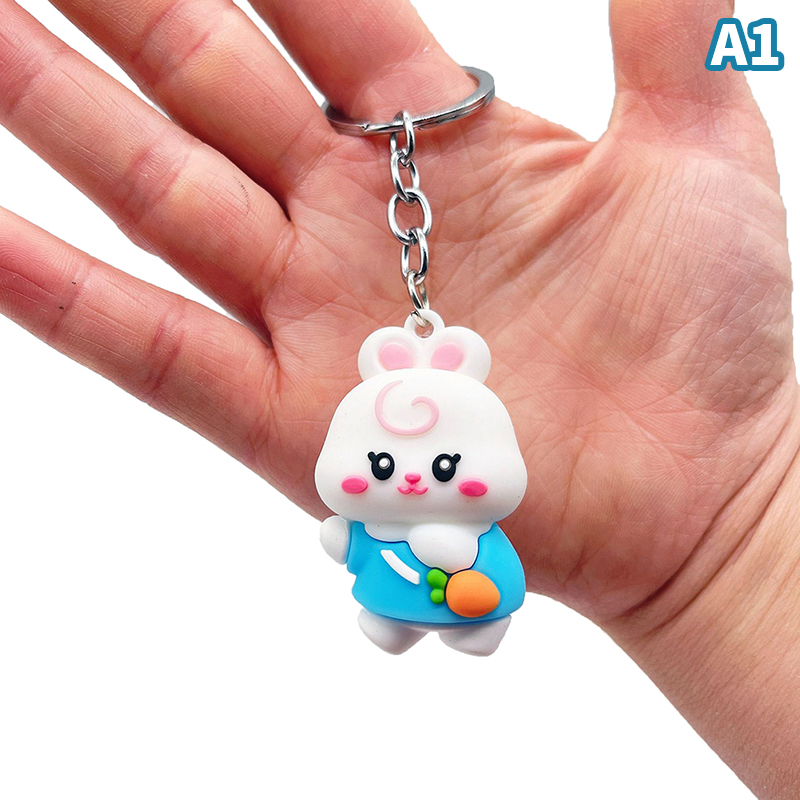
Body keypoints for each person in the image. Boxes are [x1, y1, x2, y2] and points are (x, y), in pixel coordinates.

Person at [0, 1, 796, 795]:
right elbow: (350, 537)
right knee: (387, 599)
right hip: (390, 579)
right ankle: (393, 620)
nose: (413, 477)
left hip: (473, 586)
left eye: (442, 466)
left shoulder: (473, 525)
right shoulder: (386, 505)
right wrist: (735, 555)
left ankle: (456, 625)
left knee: (470, 602)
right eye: (384, 466)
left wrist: (745, 535)